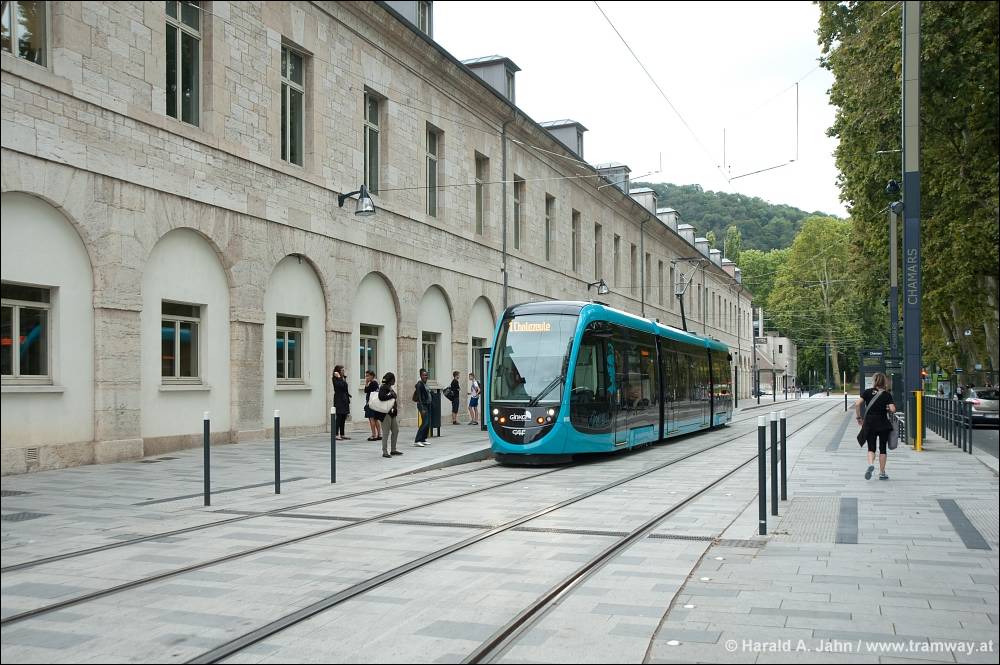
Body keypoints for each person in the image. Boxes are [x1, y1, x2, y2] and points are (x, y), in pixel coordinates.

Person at [855, 372, 896, 481]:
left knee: (871, 447)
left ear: (874, 381)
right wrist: (887, 407)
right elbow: (893, 409)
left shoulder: (867, 392)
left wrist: (859, 418)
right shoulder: (887, 394)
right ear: (884, 382)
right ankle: (882, 473)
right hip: (883, 424)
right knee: (883, 449)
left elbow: (857, 404)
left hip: (870, 424)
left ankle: (870, 464)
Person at [377, 372, 402, 458]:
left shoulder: (389, 387)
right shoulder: (383, 387)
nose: (394, 381)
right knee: (386, 433)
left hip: (392, 413)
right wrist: (391, 395)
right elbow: (381, 397)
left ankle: (393, 450)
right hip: (386, 414)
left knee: (396, 430)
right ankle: (384, 452)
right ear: (390, 380)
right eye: (393, 379)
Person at [332, 365, 351, 441]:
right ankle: (336, 434)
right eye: (342, 370)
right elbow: (340, 386)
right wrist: (339, 377)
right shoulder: (335, 379)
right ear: (338, 371)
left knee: (343, 417)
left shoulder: (343, 378)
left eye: (343, 370)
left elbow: (345, 388)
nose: (343, 371)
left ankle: (342, 434)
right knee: (339, 417)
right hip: (339, 400)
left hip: (344, 399)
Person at [413, 368, 432, 447]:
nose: (425, 376)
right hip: (422, 405)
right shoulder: (419, 384)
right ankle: (417, 440)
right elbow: (419, 397)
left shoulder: (425, 384)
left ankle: (423, 439)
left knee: (427, 423)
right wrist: (422, 408)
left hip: (427, 404)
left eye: (426, 375)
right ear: (420, 376)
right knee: (425, 422)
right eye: (424, 375)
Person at [363, 370, 382, 441]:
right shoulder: (376, 383)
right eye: (366, 376)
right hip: (375, 403)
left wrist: (366, 383)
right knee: (376, 419)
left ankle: (374, 435)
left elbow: (366, 390)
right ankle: (379, 434)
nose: (366, 377)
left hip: (371, 403)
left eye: (367, 376)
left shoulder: (372, 383)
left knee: (371, 418)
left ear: (372, 376)